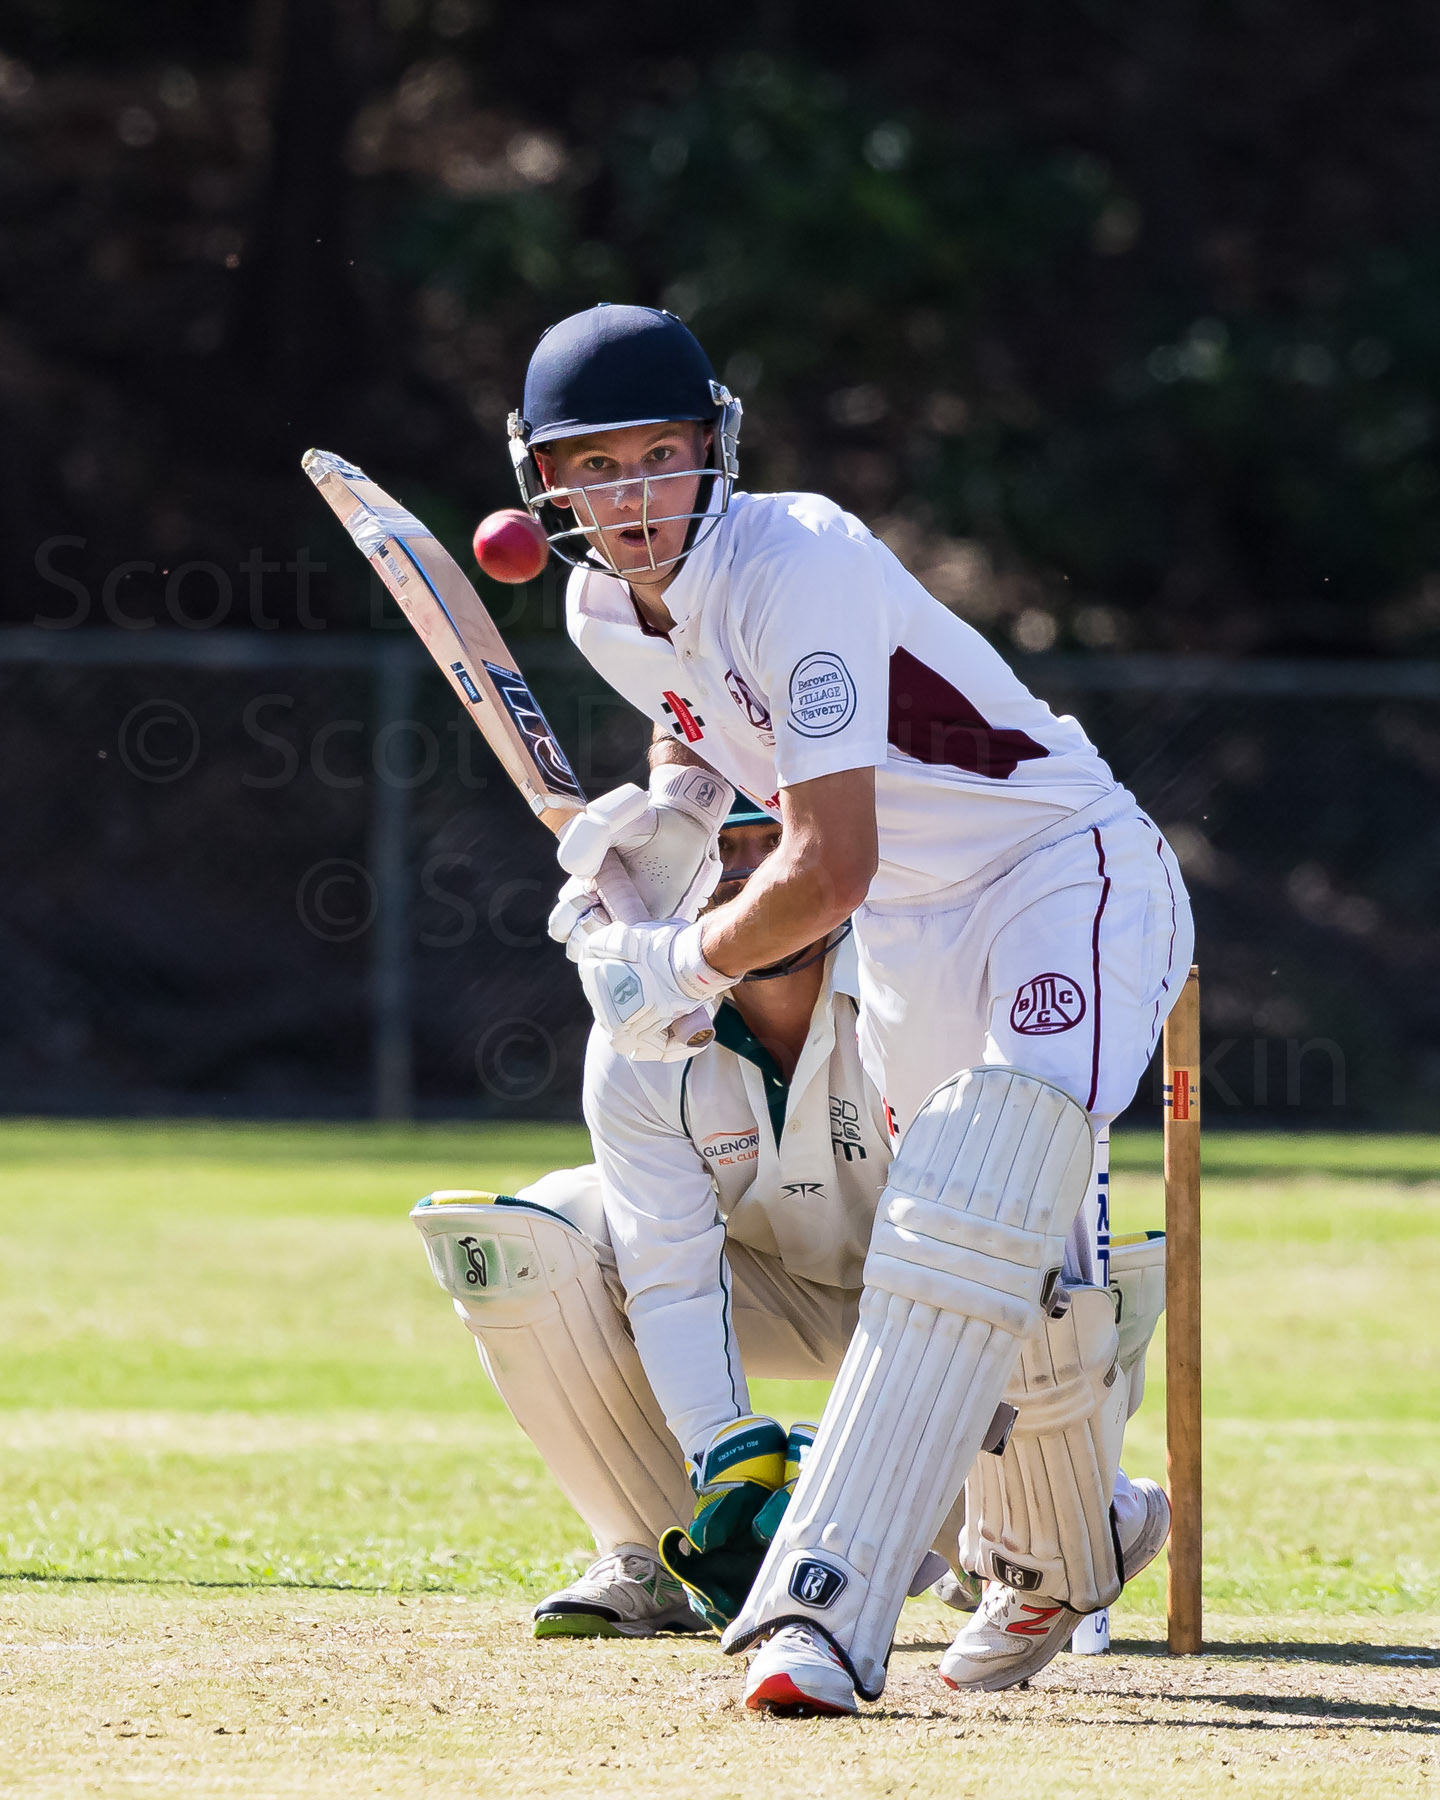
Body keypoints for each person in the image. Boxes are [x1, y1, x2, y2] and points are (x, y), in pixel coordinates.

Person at [502, 302, 1194, 1712]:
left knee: (981, 1189)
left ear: (715, 449)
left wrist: (680, 966)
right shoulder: (598, 611)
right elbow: (706, 737)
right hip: (916, 927)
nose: (635, 497)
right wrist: (661, 847)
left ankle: (820, 1609)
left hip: (1058, 864)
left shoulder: (799, 561)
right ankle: (1076, 1536)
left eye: (661, 456)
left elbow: (829, 865)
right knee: (1002, 1249)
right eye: (599, 469)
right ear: (547, 483)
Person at [413, 802, 984, 1639]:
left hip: (950, 1311)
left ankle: (1011, 1552)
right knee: (537, 1230)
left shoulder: (917, 990)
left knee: (1038, 1288)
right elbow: (668, 1272)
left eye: (776, 842)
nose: (747, 871)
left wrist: (855, 1472)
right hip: (772, 1291)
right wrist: (726, 1460)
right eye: (722, 847)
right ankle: (660, 1551)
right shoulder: (640, 1035)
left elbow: (977, 1250)